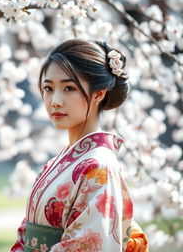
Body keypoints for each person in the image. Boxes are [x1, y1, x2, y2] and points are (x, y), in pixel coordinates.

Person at [10, 39, 149, 252]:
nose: (55, 100)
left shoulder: (98, 166)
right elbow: (26, 233)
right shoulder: (58, 162)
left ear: (99, 94)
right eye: (48, 88)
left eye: (69, 88)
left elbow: (89, 244)